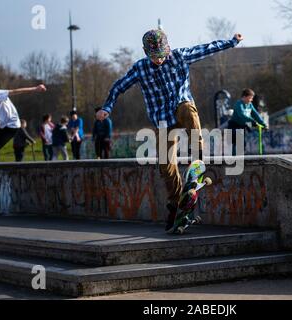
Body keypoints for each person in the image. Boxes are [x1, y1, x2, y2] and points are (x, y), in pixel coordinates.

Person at [96, 29, 243, 231]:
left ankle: (197, 159)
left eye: (162, 56)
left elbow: (206, 49)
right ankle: (177, 204)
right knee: (165, 165)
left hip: (180, 108)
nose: (159, 60)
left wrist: (231, 42)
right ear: (146, 53)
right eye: (154, 57)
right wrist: (107, 107)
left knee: (187, 109)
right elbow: (119, 85)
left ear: (168, 49)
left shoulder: (179, 56)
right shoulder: (140, 68)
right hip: (162, 121)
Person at [228, 89, 267, 155]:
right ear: (244, 97)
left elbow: (256, 115)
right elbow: (242, 115)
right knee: (238, 142)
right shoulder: (239, 104)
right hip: (234, 126)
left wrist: (263, 124)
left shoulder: (250, 105)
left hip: (242, 126)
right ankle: (233, 158)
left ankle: (237, 158)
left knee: (243, 145)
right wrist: (253, 121)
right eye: (250, 98)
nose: (251, 100)